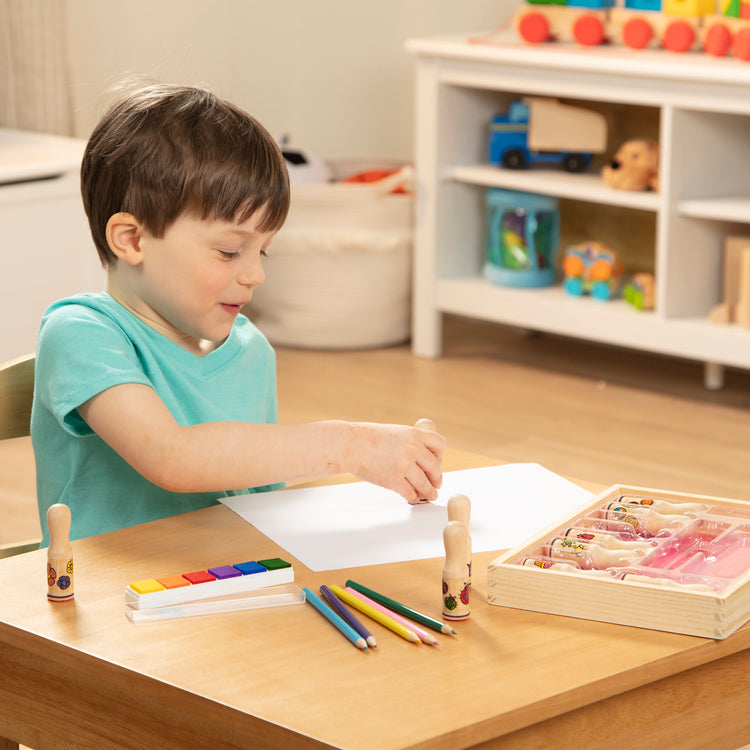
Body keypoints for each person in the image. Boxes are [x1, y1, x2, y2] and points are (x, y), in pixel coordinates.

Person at [31, 82, 445, 544]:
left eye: (262, 252)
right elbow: (172, 458)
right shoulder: (80, 333)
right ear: (132, 240)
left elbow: (257, 503)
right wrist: (352, 445)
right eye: (230, 251)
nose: (255, 275)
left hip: (226, 590)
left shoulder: (249, 348)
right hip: (103, 603)